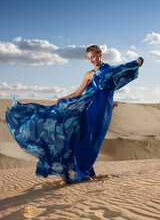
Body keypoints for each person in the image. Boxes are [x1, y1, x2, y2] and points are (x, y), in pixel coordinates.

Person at [6, 45, 143, 184]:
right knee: (87, 140)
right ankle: (82, 172)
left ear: (100, 54)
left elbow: (123, 68)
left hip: (105, 110)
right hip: (92, 109)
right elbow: (78, 93)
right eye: (89, 58)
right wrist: (63, 99)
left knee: (95, 141)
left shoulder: (109, 70)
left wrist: (137, 62)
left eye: (93, 56)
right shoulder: (89, 74)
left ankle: (89, 171)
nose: (92, 60)